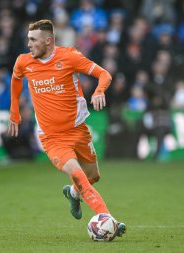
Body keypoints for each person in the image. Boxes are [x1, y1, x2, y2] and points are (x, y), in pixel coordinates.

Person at [7, 19, 126, 238]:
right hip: (51, 137)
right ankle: (109, 220)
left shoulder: (70, 57)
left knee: (93, 176)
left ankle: (72, 193)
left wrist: (99, 91)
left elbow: (104, 74)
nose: (29, 44)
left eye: (33, 40)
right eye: (28, 39)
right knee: (79, 175)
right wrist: (14, 113)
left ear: (48, 41)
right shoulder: (24, 62)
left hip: (78, 130)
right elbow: (15, 81)